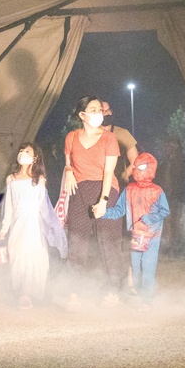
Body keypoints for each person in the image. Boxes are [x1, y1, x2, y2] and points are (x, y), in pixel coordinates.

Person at [61, 96, 128, 309]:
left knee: (108, 242)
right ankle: (74, 293)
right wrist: (69, 171)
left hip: (105, 189)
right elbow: (68, 161)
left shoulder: (109, 138)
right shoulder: (71, 137)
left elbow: (109, 171)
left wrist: (103, 201)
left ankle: (113, 291)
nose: (99, 112)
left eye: (100, 109)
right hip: (79, 192)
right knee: (77, 241)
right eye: (93, 109)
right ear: (82, 115)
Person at [0, 143, 67, 308]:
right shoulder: (11, 179)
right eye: (21, 150)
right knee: (18, 258)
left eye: (27, 151)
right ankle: (20, 290)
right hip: (17, 225)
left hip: (34, 226)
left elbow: (43, 207)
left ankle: (26, 294)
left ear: (34, 158)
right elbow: (8, 207)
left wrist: (52, 228)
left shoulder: (39, 180)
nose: (23, 153)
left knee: (33, 257)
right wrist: (4, 228)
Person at [99, 152, 170, 308]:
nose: (138, 169)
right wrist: (103, 213)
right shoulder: (129, 189)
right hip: (138, 234)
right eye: (136, 166)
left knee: (148, 266)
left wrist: (149, 219)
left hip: (153, 235)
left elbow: (165, 211)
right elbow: (119, 210)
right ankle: (141, 295)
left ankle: (147, 301)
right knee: (136, 267)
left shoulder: (157, 191)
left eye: (142, 166)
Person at [155, 136, 185, 254]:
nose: (166, 148)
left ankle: (176, 247)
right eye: (166, 146)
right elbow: (158, 179)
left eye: (169, 146)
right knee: (167, 222)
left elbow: (180, 181)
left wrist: (177, 195)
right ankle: (168, 247)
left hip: (176, 198)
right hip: (165, 197)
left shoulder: (180, 162)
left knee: (175, 222)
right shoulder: (164, 164)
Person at [100, 100, 138, 182]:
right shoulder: (91, 135)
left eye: (108, 110)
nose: (106, 113)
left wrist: (124, 177)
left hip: (119, 184)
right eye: (102, 111)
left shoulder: (122, 133)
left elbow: (135, 161)